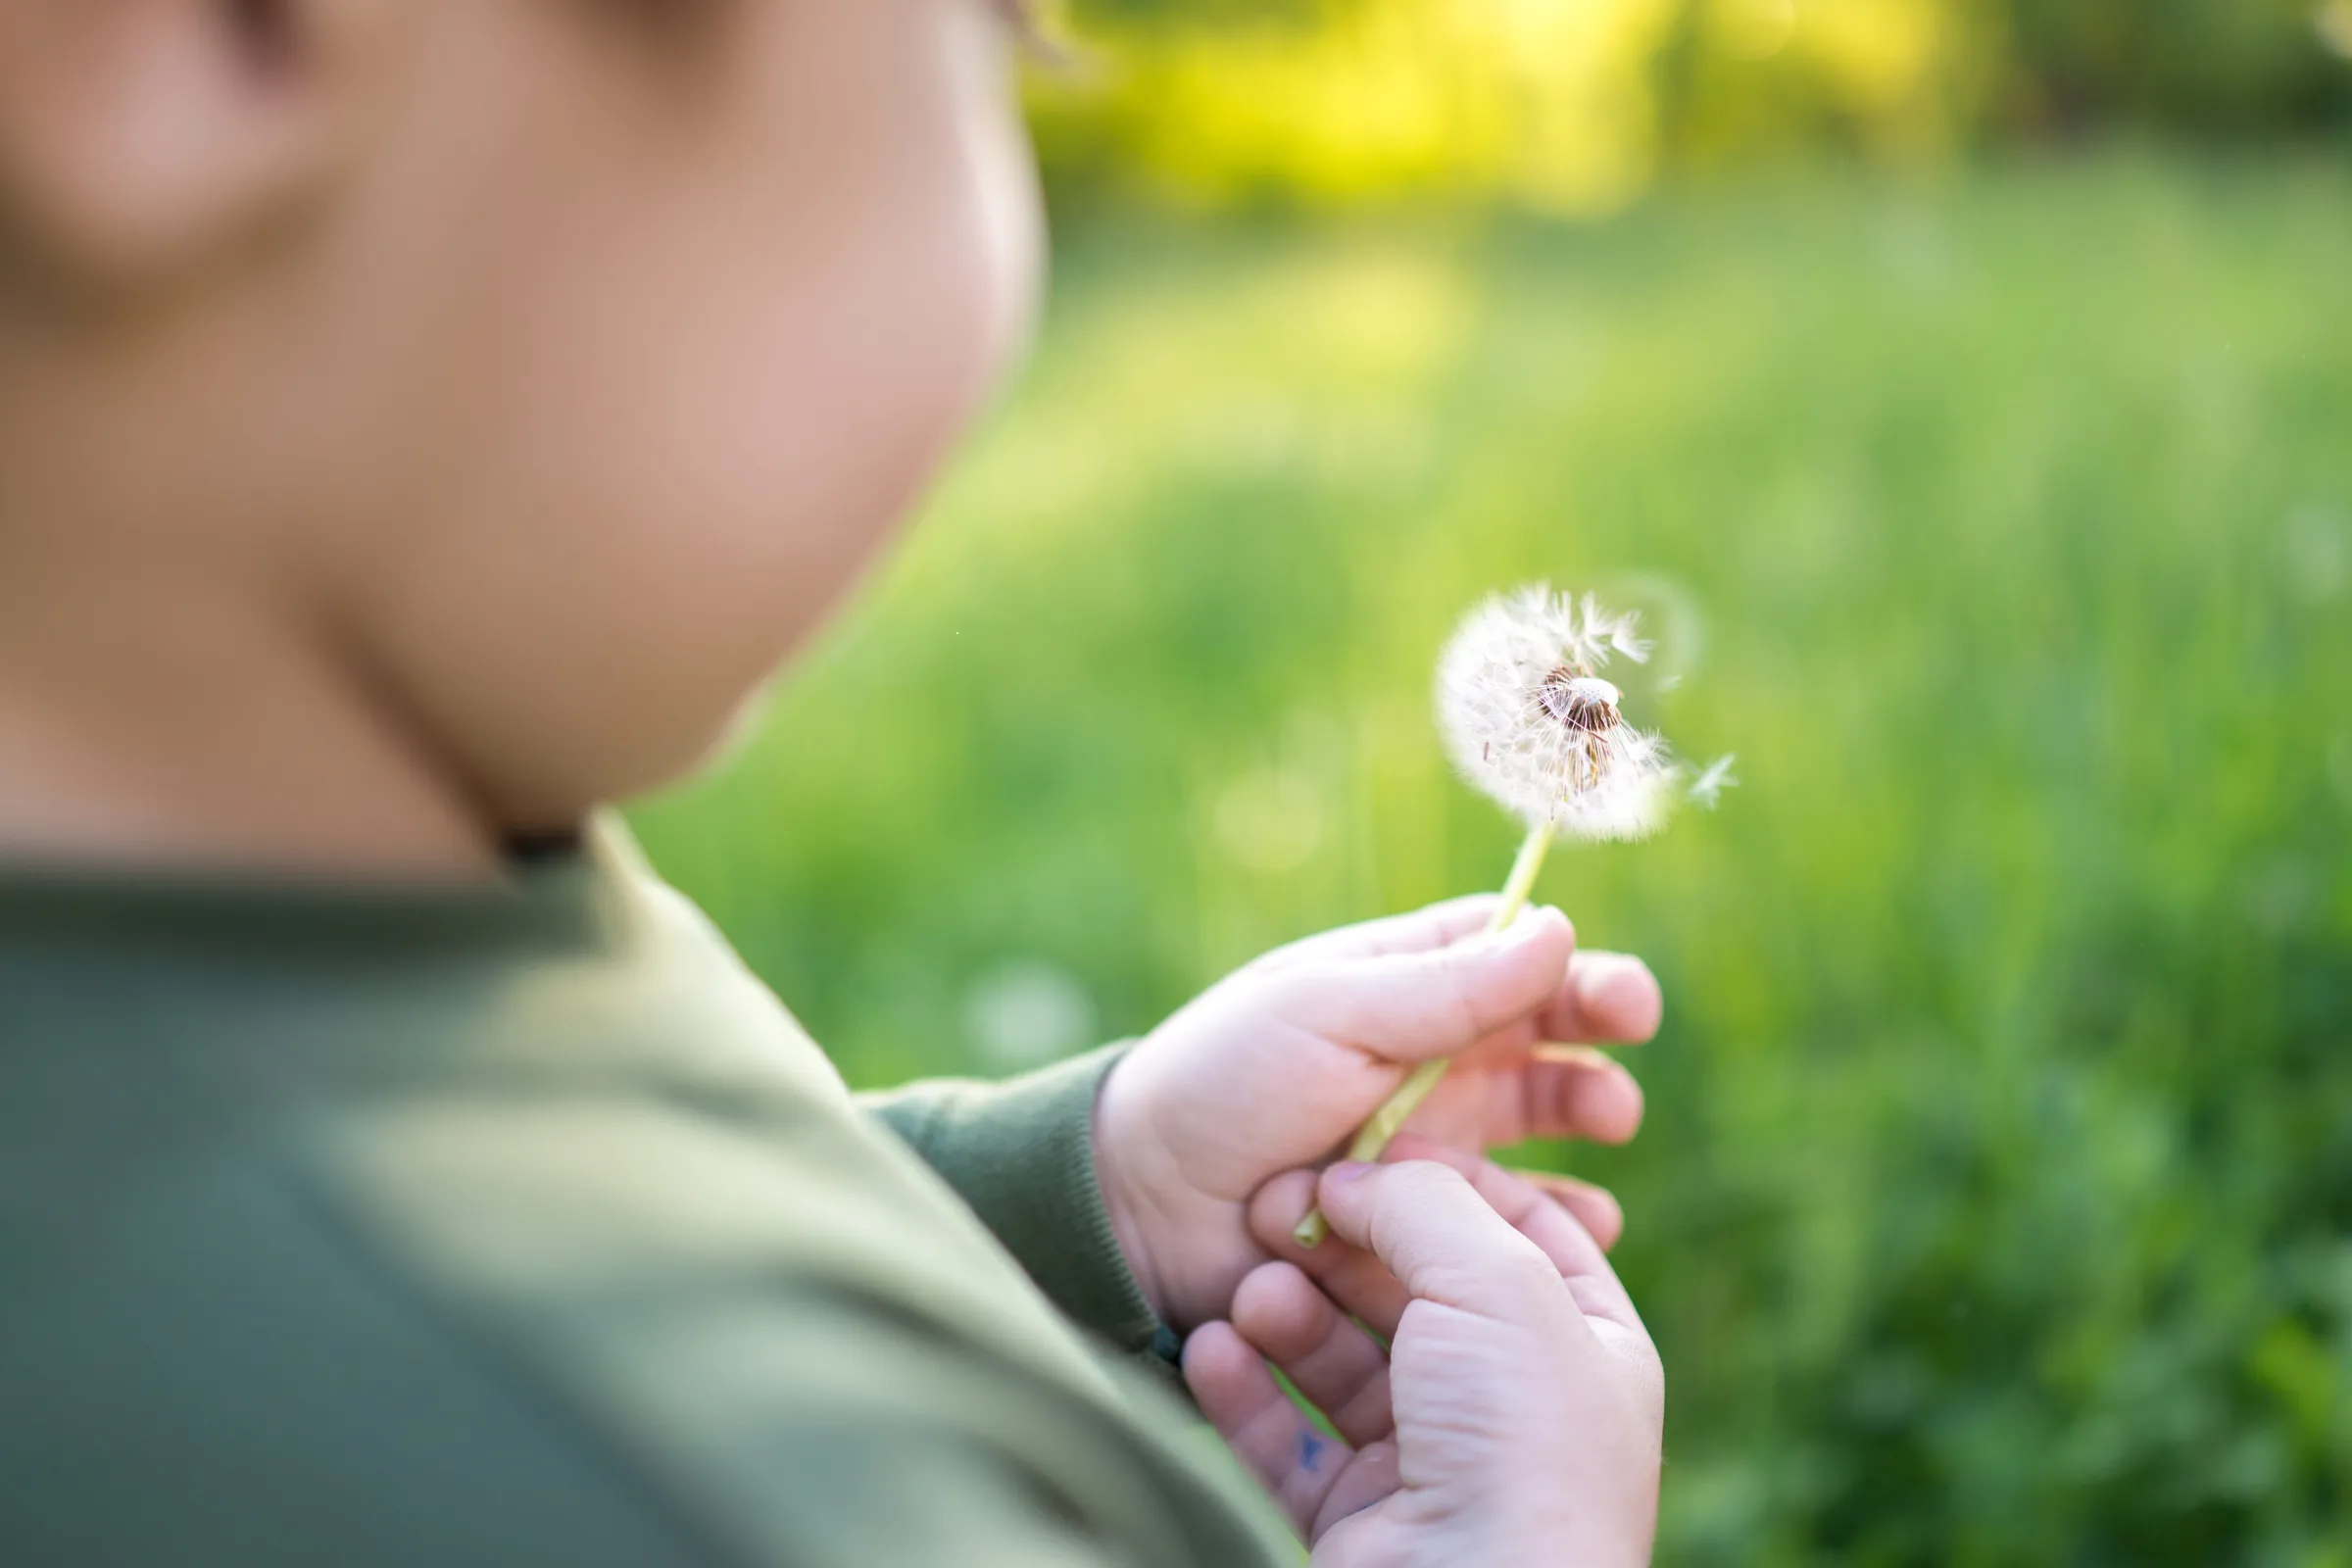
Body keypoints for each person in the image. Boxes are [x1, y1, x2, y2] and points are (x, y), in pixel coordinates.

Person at [0, 3, 1666, 1563]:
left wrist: (1087, 1200)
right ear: (197, 41)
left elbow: (631, 1242)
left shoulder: (341, 924)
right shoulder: (688, 1506)